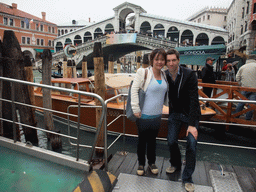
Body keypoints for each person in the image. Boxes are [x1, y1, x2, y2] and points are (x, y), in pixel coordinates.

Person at [165, 49, 201, 192]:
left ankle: (187, 178)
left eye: (174, 60)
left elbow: (194, 100)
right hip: (175, 113)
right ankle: (176, 163)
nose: (171, 63)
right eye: (168, 61)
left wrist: (192, 125)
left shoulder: (189, 74)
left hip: (190, 115)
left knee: (191, 145)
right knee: (171, 141)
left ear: (178, 60)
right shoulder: (165, 75)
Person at [131, 49, 168, 176]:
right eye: (157, 59)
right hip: (143, 115)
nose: (159, 62)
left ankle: (152, 162)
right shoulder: (143, 72)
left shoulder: (164, 74)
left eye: (162, 59)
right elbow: (134, 90)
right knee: (142, 141)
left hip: (157, 115)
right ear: (152, 60)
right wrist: (136, 109)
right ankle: (141, 163)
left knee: (152, 141)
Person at [234, 55, 256, 120]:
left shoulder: (243, 67)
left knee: (241, 103)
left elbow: (237, 77)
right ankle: (247, 119)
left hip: (244, 88)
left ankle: (235, 117)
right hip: (254, 89)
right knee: (251, 105)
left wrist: (241, 84)